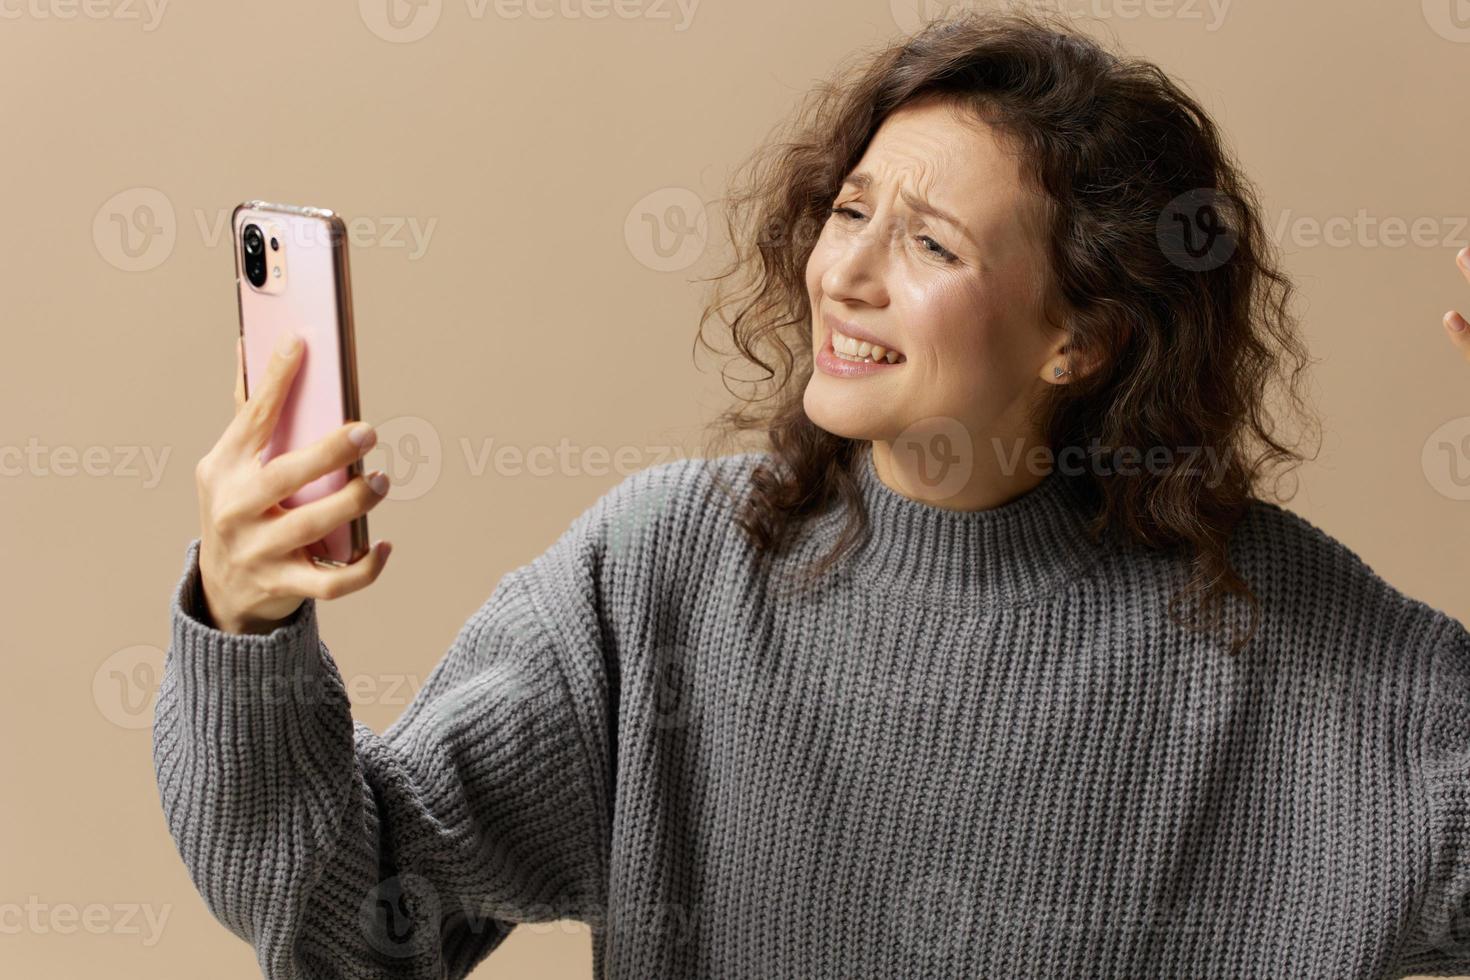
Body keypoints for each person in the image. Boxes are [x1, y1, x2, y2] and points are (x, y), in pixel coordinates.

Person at [153, 10, 1470, 979]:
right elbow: (343, 915)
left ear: (1081, 336)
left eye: (932, 242)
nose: (846, 274)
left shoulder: (1270, 623)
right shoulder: (659, 571)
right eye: (850, 210)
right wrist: (243, 629)